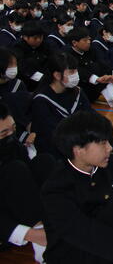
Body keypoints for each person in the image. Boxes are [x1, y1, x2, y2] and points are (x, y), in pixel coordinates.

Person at [41, 110, 113, 264]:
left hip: (111, 239)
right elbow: (82, 232)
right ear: (78, 150)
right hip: (76, 250)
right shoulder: (56, 189)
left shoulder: (112, 164)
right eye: (103, 143)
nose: (110, 148)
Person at [0, 100, 53, 264]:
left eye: (13, 129)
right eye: (4, 133)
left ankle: (57, 222)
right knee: (15, 170)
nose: (11, 135)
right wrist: (31, 234)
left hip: (18, 209)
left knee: (44, 161)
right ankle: (42, 243)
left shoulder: (13, 147)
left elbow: (28, 183)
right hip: (6, 226)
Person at [31, 52, 94, 157]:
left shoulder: (77, 92)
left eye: (76, 70)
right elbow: (50, 133)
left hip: (79, 147)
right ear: (57, 75)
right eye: (72, 72)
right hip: (54, 152)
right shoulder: (41, 100)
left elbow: (90, 116)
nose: (76, 74)